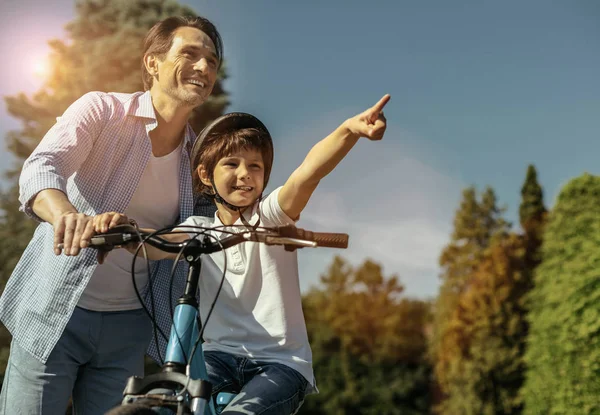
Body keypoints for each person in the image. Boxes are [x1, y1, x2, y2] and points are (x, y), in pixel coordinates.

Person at [93, 94, 390, 414]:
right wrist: (125, 231)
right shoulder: (199, 227)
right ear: (206, 176)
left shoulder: (272, 217)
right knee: (178, 399)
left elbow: (308, 173)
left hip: (279, 363)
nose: (245, 173)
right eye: (232, 164)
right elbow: (156, 245)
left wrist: (348, 131)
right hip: (217, 357)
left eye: (255, 166)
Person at [0, 15, 223, 415]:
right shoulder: (101, 110)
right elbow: (42, 165)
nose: (204, 66)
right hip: (55, 311)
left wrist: (136, 235)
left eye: (211, 60)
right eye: (190, 53)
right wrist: (66, 214)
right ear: (152, 62)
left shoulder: (200, 160)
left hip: (128, 328)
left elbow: (198, 234)